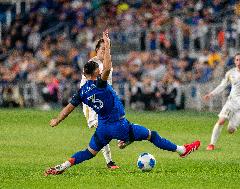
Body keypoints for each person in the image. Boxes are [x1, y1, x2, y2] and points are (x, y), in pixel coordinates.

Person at [44, 30, 200, 176]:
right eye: (98, 70)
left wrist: (57, 120)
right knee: (152, 135)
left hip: (103, 128)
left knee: (89, 152)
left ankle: (62, 166)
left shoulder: (81, 92)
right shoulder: (100, 84)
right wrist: (108, 46)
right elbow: (107, 68)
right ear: (96, 73)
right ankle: (182, 150)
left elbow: (68, 108)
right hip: (119, 125)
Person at [203, 53, 240, 151]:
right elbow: (222, 86)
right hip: (231, 102)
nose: (239, 62)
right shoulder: (230, 73)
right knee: (221, 121)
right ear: (234, 61)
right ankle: (211, 144)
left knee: (230, 129)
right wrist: (211, 94)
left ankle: (233, 125)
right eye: (237, 60)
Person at [80, 37, 118, 169]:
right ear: (97, 50)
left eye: (107, 48)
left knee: (106, 127)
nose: (105, 51)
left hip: (104, 101)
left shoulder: (108, 65)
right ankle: (110, 160)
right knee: (101, 128)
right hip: (91, 102)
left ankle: (111, 159)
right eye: (103, 48)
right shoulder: (92, 65)